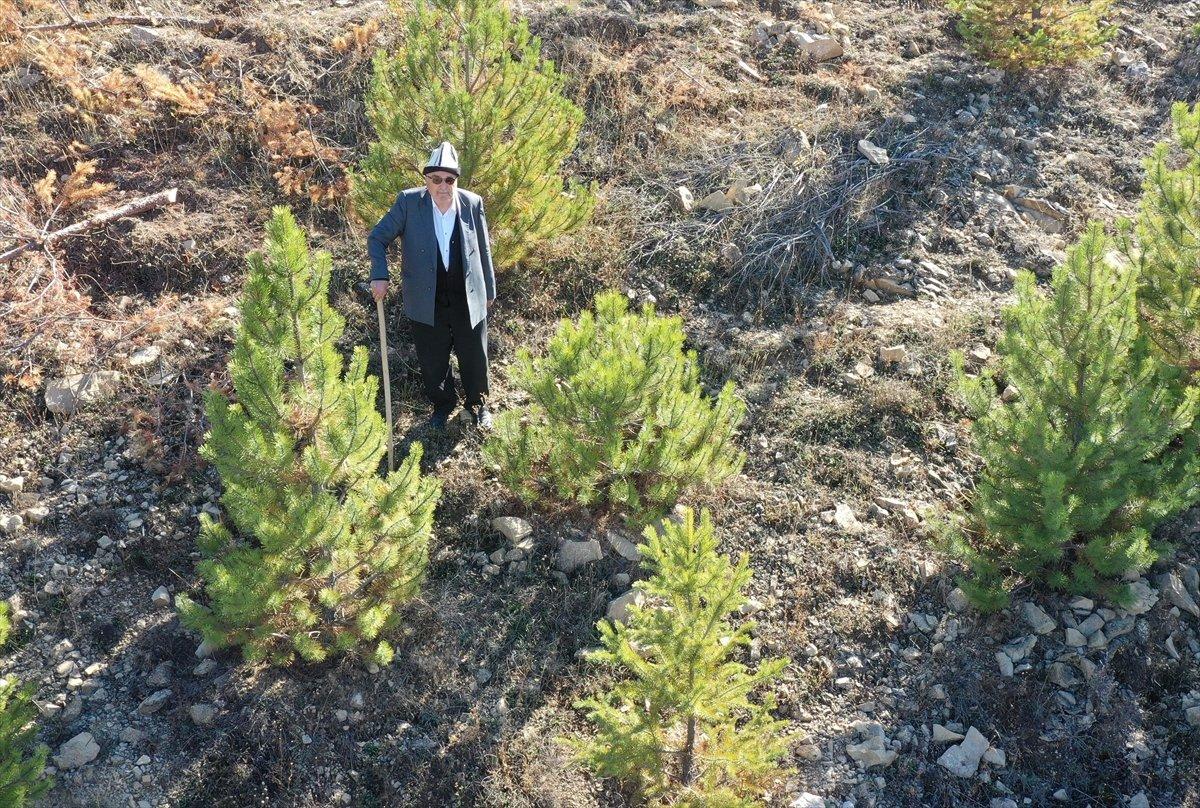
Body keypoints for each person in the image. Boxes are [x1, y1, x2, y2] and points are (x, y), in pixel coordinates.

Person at [368, 141, 496, 430]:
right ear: (426, 179)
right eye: (436, 178)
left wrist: (489, 287)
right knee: (433, 359)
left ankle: (478, 405)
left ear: (456, 181)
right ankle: (442, 406)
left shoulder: (472, 203)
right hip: (426, 297)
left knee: (474, 355)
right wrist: (380, 274)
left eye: (449, 179)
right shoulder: (408, 202)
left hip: (468, 294)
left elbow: (484, 248)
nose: (443, 185)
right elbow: (377, 237)